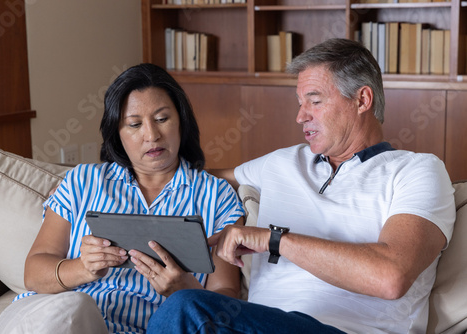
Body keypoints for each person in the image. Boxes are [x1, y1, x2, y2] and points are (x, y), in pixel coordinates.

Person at [146, 38, 456, 334]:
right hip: (256, 324)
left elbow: (392, 276)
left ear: (362, 100)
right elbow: (189, 179)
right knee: (180, 307)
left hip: (349, 331)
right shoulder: (283, 162)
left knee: (184, 308)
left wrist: (275, 240)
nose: (300, 116)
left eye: (315, 101)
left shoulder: (417, 170)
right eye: (299, 103)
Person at [0, 63, 245, 334]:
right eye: (135, 124)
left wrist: (185, 291)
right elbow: (33, 273)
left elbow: (226, 296)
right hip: (58, 319)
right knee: (75, 309)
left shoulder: (216, 196)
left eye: (162, 119)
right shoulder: (83, 181)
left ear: (181, 120)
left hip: (150, 327)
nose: (152, 135)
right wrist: (83, 268)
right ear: (117, 133)